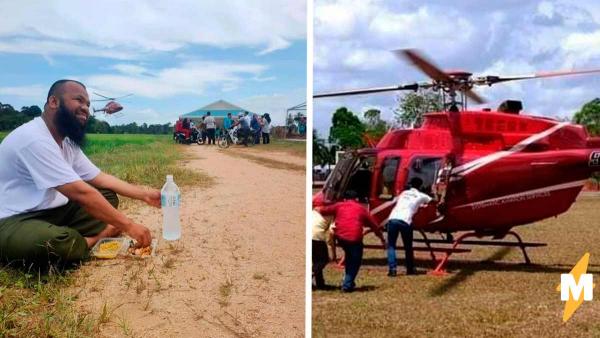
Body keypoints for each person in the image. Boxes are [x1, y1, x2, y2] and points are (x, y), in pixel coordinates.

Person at [0, 80, 157, 268]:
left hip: (53, 211)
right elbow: (81, 194)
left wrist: (146, 195)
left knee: (106, 196)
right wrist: (129, 226)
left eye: (88, 105)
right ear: (53, 102)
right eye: (79, 101)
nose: (85, 109)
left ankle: (71, 237)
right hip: (14, 219)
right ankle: (91, 239)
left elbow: (100, 178)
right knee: (54, 244)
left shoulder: (66, 142)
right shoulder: (34, 139)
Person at [317, 191, 385, 292]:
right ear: (356, 199)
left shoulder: (339, 205)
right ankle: (347, 285)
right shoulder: (361, 209)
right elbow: (374, 225)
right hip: (354, 238)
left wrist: (317, 207)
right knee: (355, 261)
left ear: (345, 199)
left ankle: (349, 280)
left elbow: (322, 210)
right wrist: (382, 238)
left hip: (340, 237)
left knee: (349, 256)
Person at [385, 177, 433, 276]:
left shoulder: (403, 193)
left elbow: (394, 201)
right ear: (420, 186)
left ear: (410, 185)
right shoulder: (421, 195)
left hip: (392, 219)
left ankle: (392, 269)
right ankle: (410, 269)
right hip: (405, 221)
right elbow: (433, 201)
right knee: (408, 247)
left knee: (391, 246)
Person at [312, 208, 332, 289]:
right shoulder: (331, 214)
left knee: (316, 261)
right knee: (323, 260)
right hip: (317, 237)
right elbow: (332, 232)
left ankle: (320, 283)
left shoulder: (313, 212)